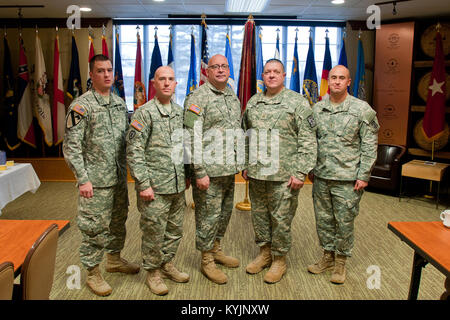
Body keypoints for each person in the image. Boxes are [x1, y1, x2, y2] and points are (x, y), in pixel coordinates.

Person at [63, 54, 139, 297]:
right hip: (94, 183)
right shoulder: (81, 106)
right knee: (94, 228)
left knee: (117, 222)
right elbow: (71, 147)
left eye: (109, 70)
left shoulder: (118, 104)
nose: (107, 75)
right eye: (100, 71)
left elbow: (126, 141)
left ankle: (114, 259)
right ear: (91, 75)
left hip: (117, 179)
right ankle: (93, 272)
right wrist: (82, 179)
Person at [242, 59, 317, 284]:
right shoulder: (253, 103)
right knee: (260, 217)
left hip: (285, 175)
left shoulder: (298, 103)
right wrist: (245, 164)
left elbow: (308, 139)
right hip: (257, 174)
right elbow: (246, 135)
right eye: (267, 72)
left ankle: (280, 259)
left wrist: (301, 171)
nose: (271, 75)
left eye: (276, 72)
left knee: (281, 219)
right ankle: (265, 253)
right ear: (262, 76)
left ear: (284, 75)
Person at [307, 65, 379, 284]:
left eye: (341, 78)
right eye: (333, 78)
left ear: (349, 82)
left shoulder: (362, 110)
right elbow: (310, 141)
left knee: (344, 222)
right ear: (329, 81)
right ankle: (327, 256)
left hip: (348, 179)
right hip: (321, 177)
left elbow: (369, 144)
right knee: (324, 220)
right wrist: (310, 168)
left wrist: (364, 175)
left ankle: (340, 262)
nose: (337, 82)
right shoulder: (317, 109)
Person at [126, 66, 189, 296]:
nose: (166, 83)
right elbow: (134, 151)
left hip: (177, 185)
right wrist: (143, 184)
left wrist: (186, 177)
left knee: (174, 230)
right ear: (153, 83)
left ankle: (166, 263)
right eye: (162, 79)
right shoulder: (144, 113)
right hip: (154, 187)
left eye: (171, 79)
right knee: (153, 231)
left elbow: (185, 147)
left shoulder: (180, 112)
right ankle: (152, 272)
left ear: (175, 84)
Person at [183, 54, 242, 284]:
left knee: (224, 213)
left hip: (228, 169)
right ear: (207, 72)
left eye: (224, 66)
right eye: (215, 67)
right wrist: (199, 171)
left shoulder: (231, 96)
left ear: (229, 70)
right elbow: (191, 137)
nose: (220, 70)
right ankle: (206, 259)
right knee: (208, 217)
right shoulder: (197, 98)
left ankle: (216, 248)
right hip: (208, 171)